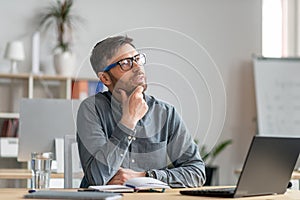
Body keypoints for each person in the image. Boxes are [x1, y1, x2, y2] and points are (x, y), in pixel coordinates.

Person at [76, 35, 206, 188]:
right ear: (105, 78)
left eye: (137, 59)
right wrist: (128, 121)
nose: (137, 67)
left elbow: (197, 173)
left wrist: (145, 177)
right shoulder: (91, 109)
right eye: (125, 63)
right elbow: (97, 178)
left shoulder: (166, 113)